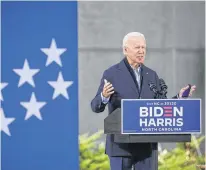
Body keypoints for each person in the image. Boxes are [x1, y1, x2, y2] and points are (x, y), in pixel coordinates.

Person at [91, 32, 196, 170]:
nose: (141, 51)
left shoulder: (151, 75)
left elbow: (161, 106)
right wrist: (104, 96)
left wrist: (179, 98)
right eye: (137, 47)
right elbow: (95, 106)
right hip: (120, 146)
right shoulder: (111, 74)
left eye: (143, 48)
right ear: (125, 50)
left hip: (147, 146)